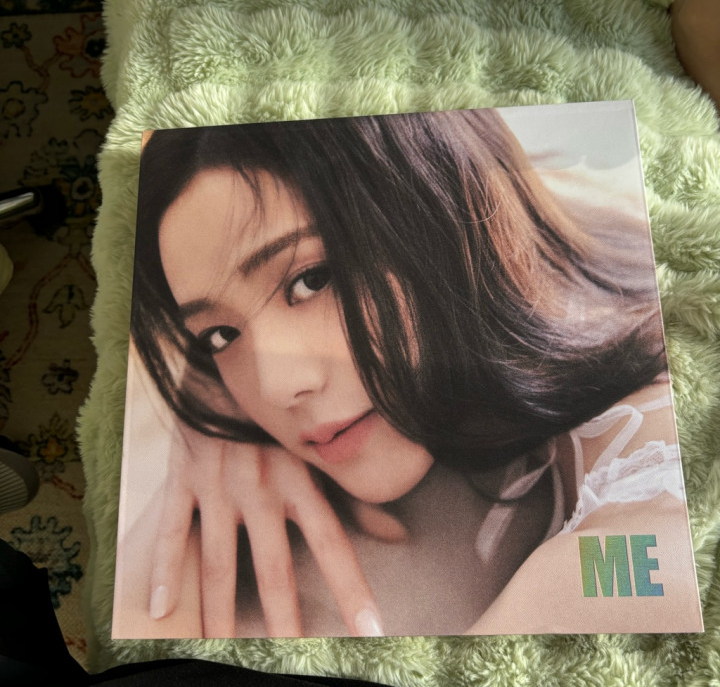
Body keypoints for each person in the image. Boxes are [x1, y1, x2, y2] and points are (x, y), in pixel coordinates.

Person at [114, 108, 700, 639]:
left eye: (312, 280)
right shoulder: (225, 471)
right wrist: (206, 416)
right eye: (220, 336)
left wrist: (554, 594)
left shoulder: (648, 424)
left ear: (441, 208)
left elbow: (653, 563)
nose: (276, 387)